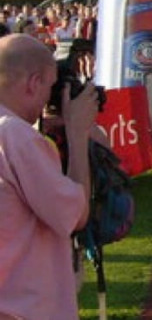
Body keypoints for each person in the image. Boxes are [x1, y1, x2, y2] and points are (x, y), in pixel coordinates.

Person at [0, 34, 99, 320]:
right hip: (25, 308)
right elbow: (74, 214)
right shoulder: (15, 136)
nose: (51, 97)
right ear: (33, 83)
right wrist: (77, 133)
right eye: (51, 86)